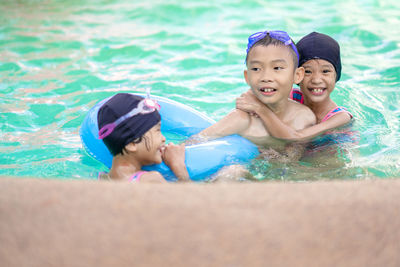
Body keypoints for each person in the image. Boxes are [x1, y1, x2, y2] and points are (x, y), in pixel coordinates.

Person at [194, 30, 316, 162]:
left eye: (277, 68)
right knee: (233, 171)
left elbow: (294, 158)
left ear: (297, 75)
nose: (266, 77)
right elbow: (196, 141)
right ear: (247, 77)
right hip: (241, 168)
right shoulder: (242, 119)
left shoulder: (304, 117)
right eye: (256, 69)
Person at [236, 32, 353, 141]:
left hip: (327, 152)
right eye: (308, 71)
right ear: (297, 75)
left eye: (326, 71)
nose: (316, 80)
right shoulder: (293, 95)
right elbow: (252, 95)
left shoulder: (341, 117)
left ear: (336, 75)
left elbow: (296, 138)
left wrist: (261, 110)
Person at [97, 93, 189, 182]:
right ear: (131, 144)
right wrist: (179, 167)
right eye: (157, 131)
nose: (163, 138)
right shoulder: (151, 180)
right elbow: (189, 197)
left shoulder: (103, 177)